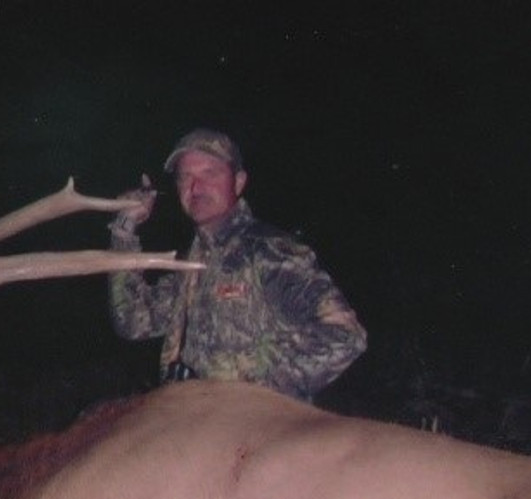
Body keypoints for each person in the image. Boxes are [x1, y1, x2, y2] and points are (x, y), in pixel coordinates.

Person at [107, 128, 367, 400]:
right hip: (189, 422)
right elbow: (133, 321)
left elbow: (345, 336)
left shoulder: (268, 252)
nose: (195, 187)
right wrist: (124, 229)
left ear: (239, 182)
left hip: (257, 430)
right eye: (185, 177)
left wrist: (237, 383)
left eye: (210, 173)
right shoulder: (190, 265)